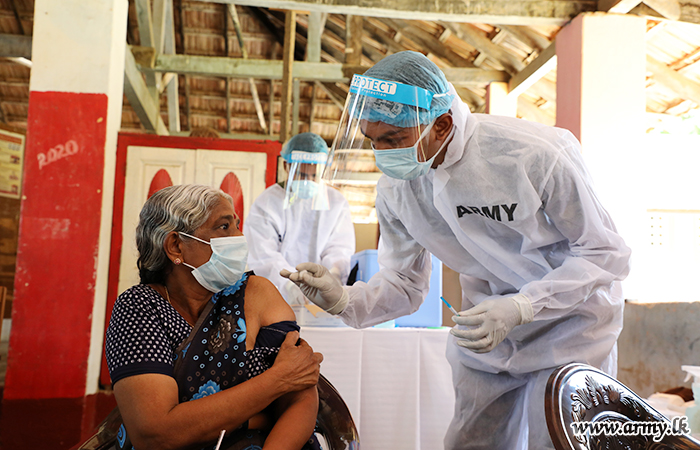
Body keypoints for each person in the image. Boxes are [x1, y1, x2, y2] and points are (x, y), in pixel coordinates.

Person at [281, 51, 631, 450]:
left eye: (393, 140)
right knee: (471, 443)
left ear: (442, 124)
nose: (382, 154)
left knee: (557, 441)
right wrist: (343, 298)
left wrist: (523, 305)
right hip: (484, 334)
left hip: (572, 327)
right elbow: (404, 282)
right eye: (373, 140)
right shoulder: (399, 189)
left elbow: (605, 252)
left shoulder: (533, 154)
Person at [105, 184, 324, 450]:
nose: (238, 236)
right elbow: (156, 433)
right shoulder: (140, 307)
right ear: (175, 246)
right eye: (223, 227)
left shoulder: (256, 293)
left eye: (237, 225)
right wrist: (276, 382)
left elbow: (299, 394)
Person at [246, 132, 355, 306]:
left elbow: (339, 250)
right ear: (285, 166)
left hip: (321, 301)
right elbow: (262, 255)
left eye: (314, 176)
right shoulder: (267, 202)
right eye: (302, 175)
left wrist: (330, 280)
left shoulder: (336, 203)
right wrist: (291, 285)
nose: (308, 182)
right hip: (275, 295)